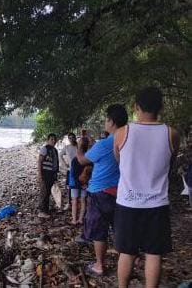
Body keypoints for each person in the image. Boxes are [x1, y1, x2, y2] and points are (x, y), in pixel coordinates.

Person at [114, 87, 180, 288]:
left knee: (127, 252)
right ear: (161, 107)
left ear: (135, 106)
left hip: (128, 203)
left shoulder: (122, 132)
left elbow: (119, 160)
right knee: (154, 253)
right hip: (157, 204)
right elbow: (171, 162)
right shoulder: (172, 134)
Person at [76, 104, 128, 277]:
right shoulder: (129, 140)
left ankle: (99, 265)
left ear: (112, 122)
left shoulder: (105, 143)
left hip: (101, 193)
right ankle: (127, 261)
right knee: (119, 227)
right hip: (122, 191)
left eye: (106, 119)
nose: (105, 123)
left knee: (99, 231)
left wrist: (79, 145)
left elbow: (82, 160)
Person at [69, 137, 91, 225]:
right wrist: (84, 184)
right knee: (83, 201)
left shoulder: (75, 159)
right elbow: (90, 173)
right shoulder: (89, 159)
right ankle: (81, 219)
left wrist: (79, 183)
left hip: (75, 184)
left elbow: (74, 174)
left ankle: (74, 220)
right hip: (85, 184)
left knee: (74, 201)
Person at [37, 133, 60, 218]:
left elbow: (55, 163)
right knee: (44, 192)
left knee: (48, 192)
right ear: (48, 140)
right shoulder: (44, 149)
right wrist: (40, 174)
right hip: (45, 173)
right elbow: (39, 161)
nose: (53, 141)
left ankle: (46, 210)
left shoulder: (55, 150)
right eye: (51, 139)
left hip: (52, 174)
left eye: (54, 139)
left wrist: (55, 175)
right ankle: (41, 211)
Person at [60, 132, 78, 210]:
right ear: (68, 139)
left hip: (79, 170)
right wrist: (65, 164)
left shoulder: (78, 146)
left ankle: (77, 202)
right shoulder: (67, 147)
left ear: (75, 138)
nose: (71, 139)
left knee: (80, 186)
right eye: (69, 138)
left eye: (72, 137)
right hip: (70, 170)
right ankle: (69, 203)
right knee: (70, 187)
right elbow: (60, 155)